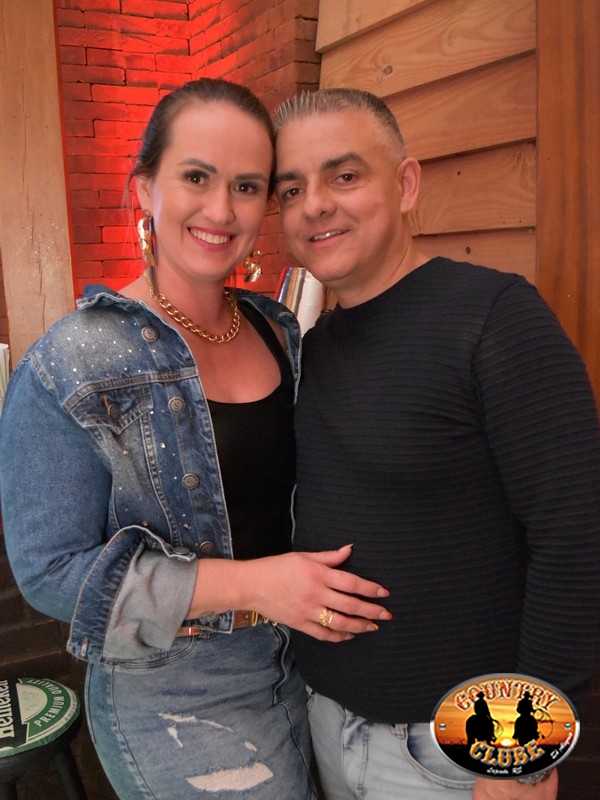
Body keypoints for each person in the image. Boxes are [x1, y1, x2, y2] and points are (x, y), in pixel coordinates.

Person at [0, 79, 392, 800]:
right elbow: (51, 573)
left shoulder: (279, 329)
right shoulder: (72, 362)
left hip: (309, 667)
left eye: (246, 186)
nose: (220, 210)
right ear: (144, 188)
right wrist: (259, 586)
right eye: (195, 177)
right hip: (176, 697)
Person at [273, 87, 600, 800]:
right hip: (323, 720)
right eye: (291, 189)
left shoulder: (494, 317)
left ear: (406, 184)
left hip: (454, 749)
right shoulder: (309, 346)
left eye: (344, 175)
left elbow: (576, 532)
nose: (315, 205)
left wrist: (523, 755)